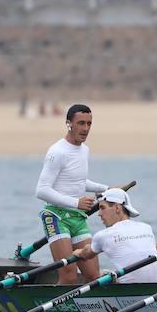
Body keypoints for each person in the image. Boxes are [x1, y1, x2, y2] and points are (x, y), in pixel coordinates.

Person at [35, 103, 114, 285]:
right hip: (56, 216)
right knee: (69, 275)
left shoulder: (84, 150)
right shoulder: (57, 152)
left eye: (89, 124)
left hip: (77, 219)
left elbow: (77, 181)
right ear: (69, 123)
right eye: (81, 123)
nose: (85, 129)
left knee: (94, 275)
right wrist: (76, 203)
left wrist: (105, 189)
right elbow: (42, 190)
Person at [65, 187, 157, 285]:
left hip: (129, 292)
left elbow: (87, 253)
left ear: (117, 208)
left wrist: (78, 253)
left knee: (102, 279)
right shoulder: (146, 228)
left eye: (102, 208)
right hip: (155, 288)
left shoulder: (104, 235)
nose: (99, 214)